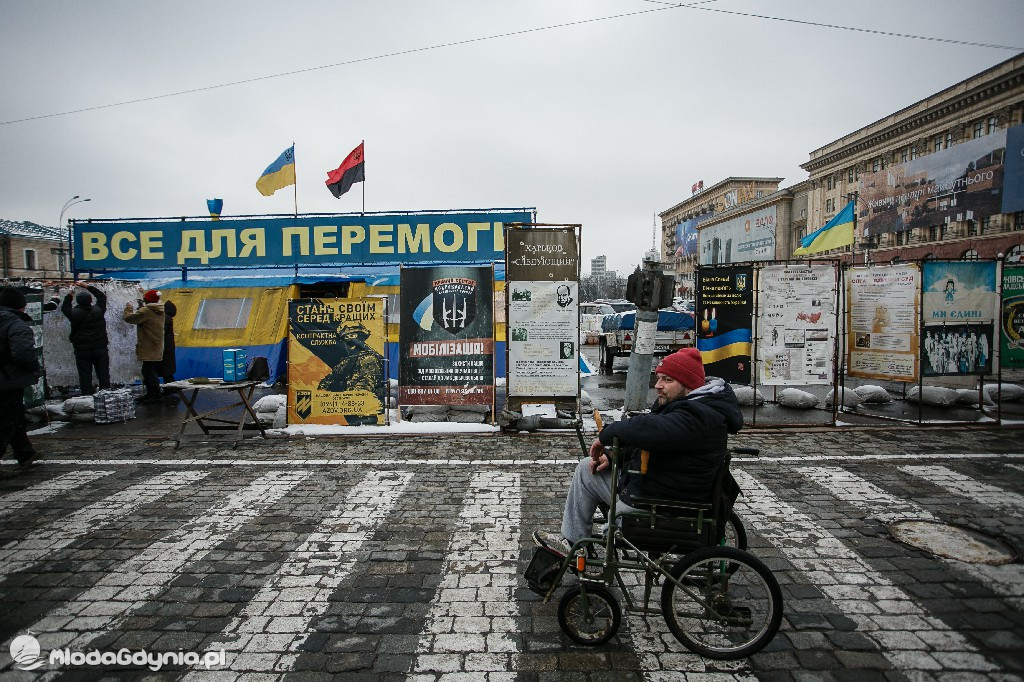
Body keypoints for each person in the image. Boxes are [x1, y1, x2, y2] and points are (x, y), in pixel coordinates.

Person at [533, 347, 743, 556]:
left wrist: (607, 434)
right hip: (658, 488)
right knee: (587, 470)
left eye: (667, 380)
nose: (658, 385)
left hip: (662, 503)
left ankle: (582, 545)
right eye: (659, 378)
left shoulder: (696, 416)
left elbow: (648, 429)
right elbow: (654, 439)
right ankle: (572, 542)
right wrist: (615, 456)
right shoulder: (691, 407)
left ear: (688, 385)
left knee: (608, 524)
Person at [0, 287, 42, 469]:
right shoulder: (16, 325)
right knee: (6, 420)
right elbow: (24, 353)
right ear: (22, 306)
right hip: (8, 379)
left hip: (6, 378)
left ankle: (25, 453)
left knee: (15, 417)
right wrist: (34, 369)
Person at [60, 281, 110, 395]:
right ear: (90, 300)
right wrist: (87, 286)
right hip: (100, 347)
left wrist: (69, 294)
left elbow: (64, 307)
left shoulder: (74, 313)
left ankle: (87, 397)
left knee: (85, 375)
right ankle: (106, 396)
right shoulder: (99, 311)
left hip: (82, 349)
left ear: (77, 301)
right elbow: (101, 296)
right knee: (103, 374)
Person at [123, 289, 165, 404]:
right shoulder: (159, 309)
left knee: (148, 371)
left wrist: (128, 308)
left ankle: (155, 394)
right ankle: (152, 393)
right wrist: (142, 303)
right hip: (155, 345)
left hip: (148, 345)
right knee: (149, 370)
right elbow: (146, 312)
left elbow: (129, 318)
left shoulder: (146, 311)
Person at [160, 299, 177, 394]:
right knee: (167, 371)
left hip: (165, 348)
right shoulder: (168, 317)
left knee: (166, 371)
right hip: (168, 348)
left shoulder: (165, 318)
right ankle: (170, 388)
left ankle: (170, 388)